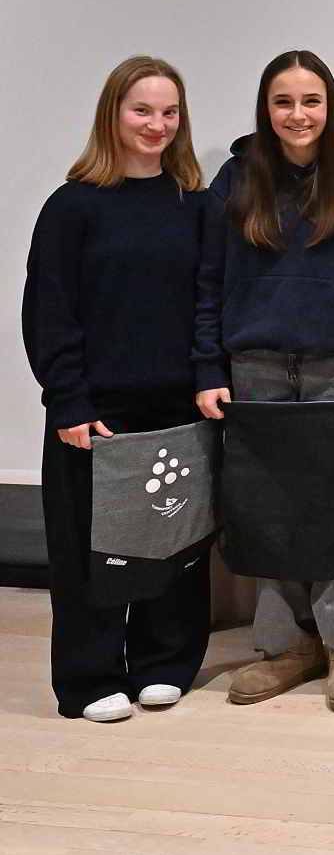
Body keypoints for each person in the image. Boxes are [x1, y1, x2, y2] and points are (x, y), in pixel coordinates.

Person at [195, 49, 334, 713]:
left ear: (329, 106)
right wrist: (208, 367)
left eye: (311, 101)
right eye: (283, 101)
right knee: (269, 510)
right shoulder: (235, 181)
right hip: (254, 371)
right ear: (266, 108)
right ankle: (286, 646)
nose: (298, 114)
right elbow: (207, 282)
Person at [24, 56, 213, 723]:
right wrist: (68, 399)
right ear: (113, 114)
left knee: (174, 539)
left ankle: (164, 662)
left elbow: (208, 303)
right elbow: (49, 311)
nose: (157, 125)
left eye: (169, 112)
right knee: (87, 552)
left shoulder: (194, 204)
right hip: (97, 410)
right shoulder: (72, 206)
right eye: (142, 111)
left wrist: (207, 381)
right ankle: (89, 676)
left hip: (177, 405)